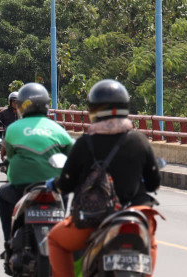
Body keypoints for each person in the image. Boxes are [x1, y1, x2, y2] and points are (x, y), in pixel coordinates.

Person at [48, 79, 161, 276]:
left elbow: (66, 184)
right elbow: (153, 183)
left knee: (55, 240)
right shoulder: (138, 140)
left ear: (93, 110)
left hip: (95, 217)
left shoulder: (85, 143)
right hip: (134, 215)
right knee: (149, 244)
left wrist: (56, 184)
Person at [0, 83, 73, 254]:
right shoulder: (57, 129)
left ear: (21, 105)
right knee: (67, 196)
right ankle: (62, 226)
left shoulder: (14, 128)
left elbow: (8, 153)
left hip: (21, 186)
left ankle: (8, 241)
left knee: (2, 195)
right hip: (54, 186)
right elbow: (73, 154)